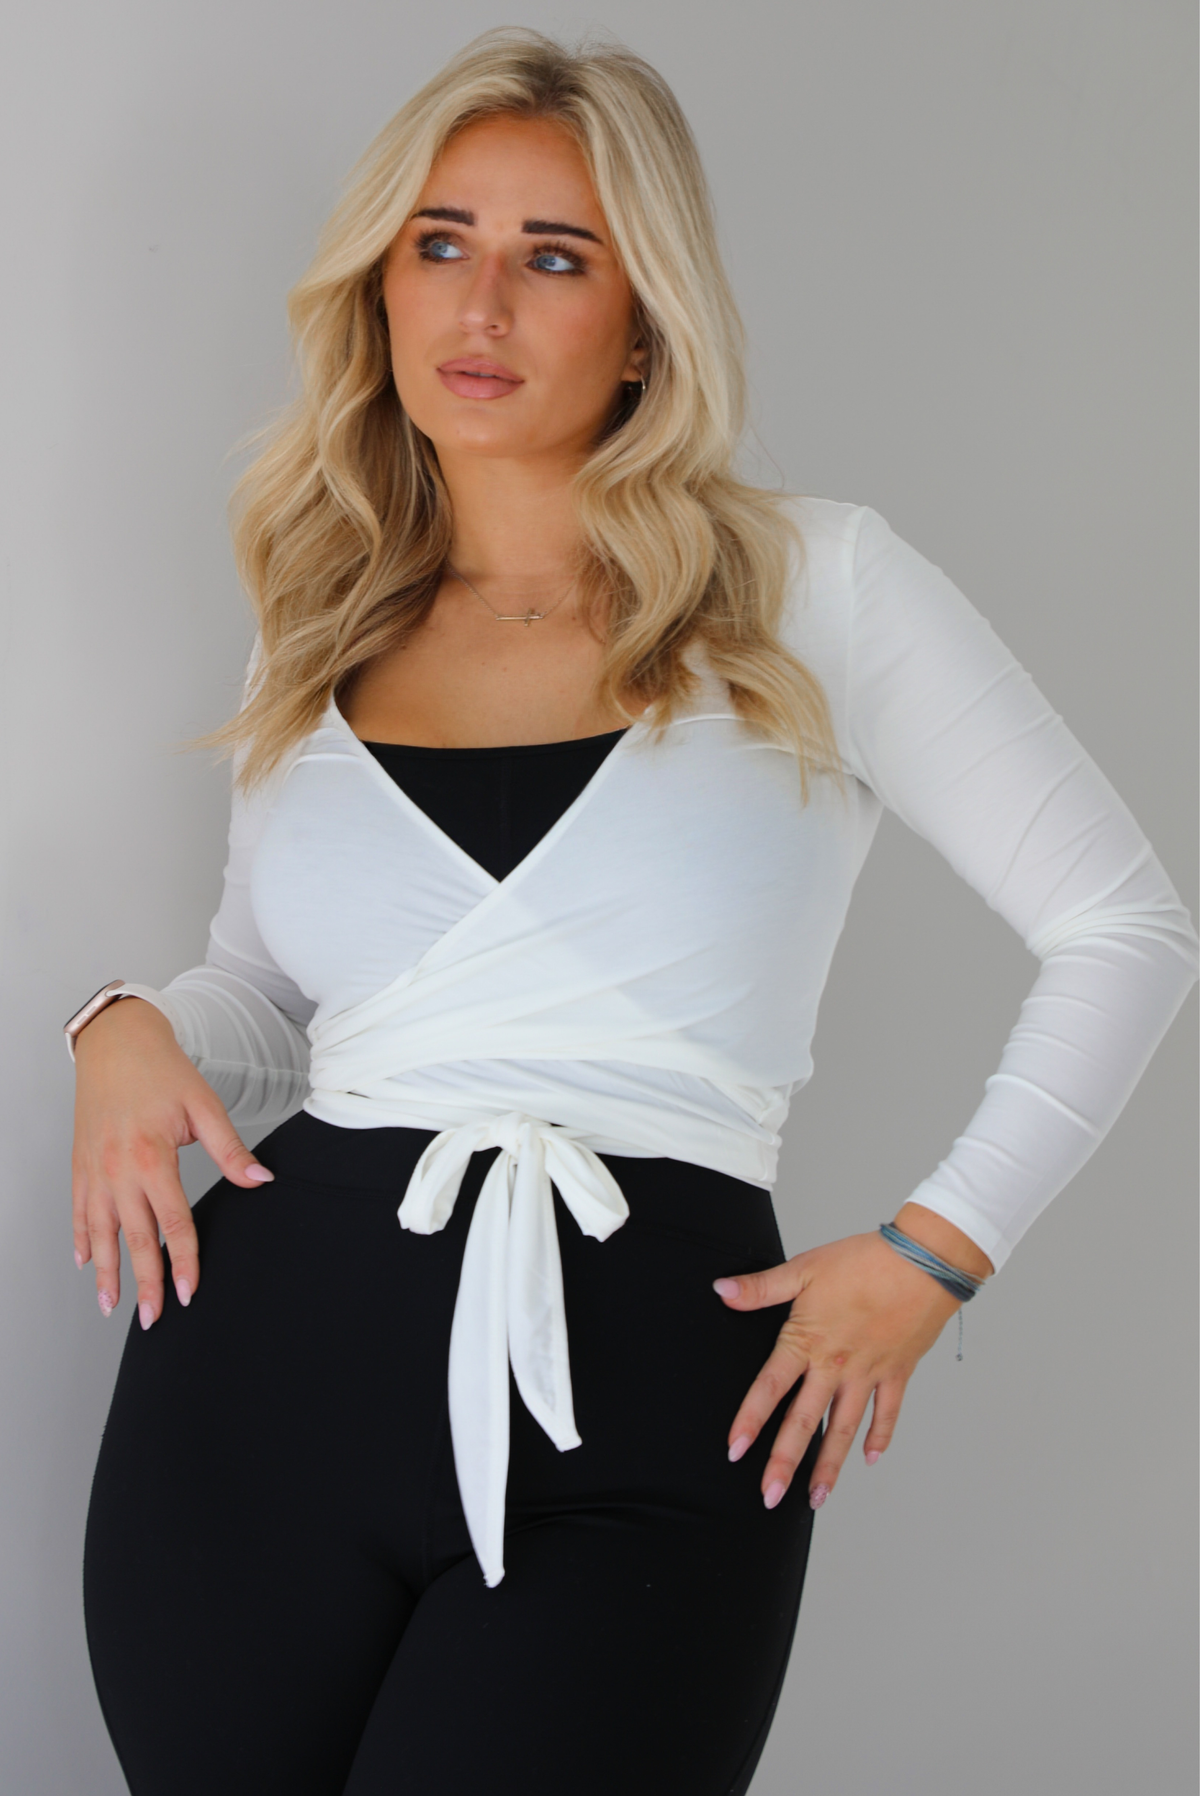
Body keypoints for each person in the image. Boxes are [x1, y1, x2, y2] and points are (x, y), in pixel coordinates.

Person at [67, 27, 1198, 1796]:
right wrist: (130, 1028)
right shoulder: (326, 622)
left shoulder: (813, 585)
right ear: (377, 284)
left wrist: (936, 1251)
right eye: (439, 242)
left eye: (555, 256)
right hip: (252, 1405)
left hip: (655, 1402)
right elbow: (269, 997)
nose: (483, 306)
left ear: (647, 311)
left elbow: (1128, 929)